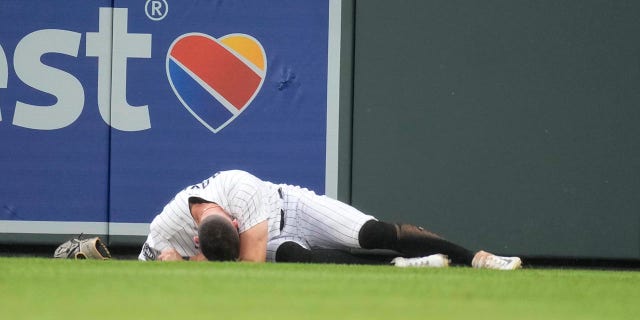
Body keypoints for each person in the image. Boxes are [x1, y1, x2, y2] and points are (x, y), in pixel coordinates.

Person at [139, 170, 522, 270]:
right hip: (273, 240)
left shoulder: (239, 189)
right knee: (294, 258)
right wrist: (166, 266)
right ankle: (399, 267)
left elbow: (249, 265)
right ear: (193, 237)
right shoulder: (167, 227)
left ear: (233, 221)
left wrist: (190, 266)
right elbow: (144, 264)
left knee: (372, 233)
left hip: (292, 208)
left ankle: (478, 257)